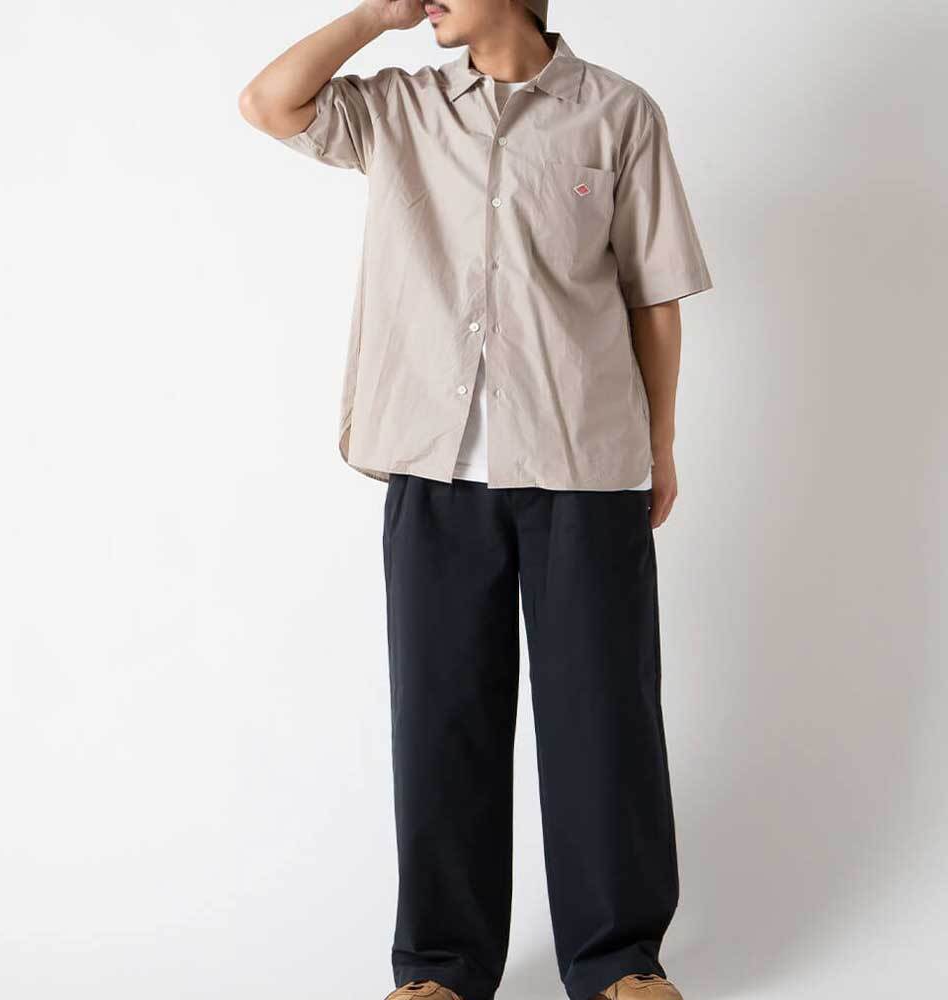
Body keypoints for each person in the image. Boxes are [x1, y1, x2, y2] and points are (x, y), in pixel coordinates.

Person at [238, 2, 712, 998]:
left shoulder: (617, 113)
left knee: (603, 718)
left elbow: (654, 296)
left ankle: (619, 960)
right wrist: (377, 15)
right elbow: (269, 102)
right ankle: (441, 966)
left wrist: (660, 445)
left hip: (584, 463)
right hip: (434, 463)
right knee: (442, 716)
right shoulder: (400, 108)